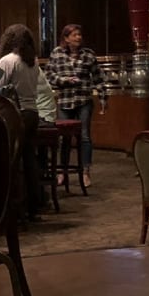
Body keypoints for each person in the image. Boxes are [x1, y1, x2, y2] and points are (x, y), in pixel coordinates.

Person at [0, 23, 45, 221]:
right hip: (32, 113)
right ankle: (34, 206)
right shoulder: (32, 61)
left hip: (16, 115)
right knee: (29, 160)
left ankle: (13, 208)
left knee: (11, 162)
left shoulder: (6, 60)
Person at [44, 23, 103, 188]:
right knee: (64, 138)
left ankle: (85, 172)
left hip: (83, 99)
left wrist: (103, 97)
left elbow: (98, 77)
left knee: (84, 136)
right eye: (74, 35)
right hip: (65, 100)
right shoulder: (57, 53)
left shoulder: (88, 54)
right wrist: (64, 81)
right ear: (66, 38)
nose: (78, 37)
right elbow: (48, 75)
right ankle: (62, 172)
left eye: (79, 34)